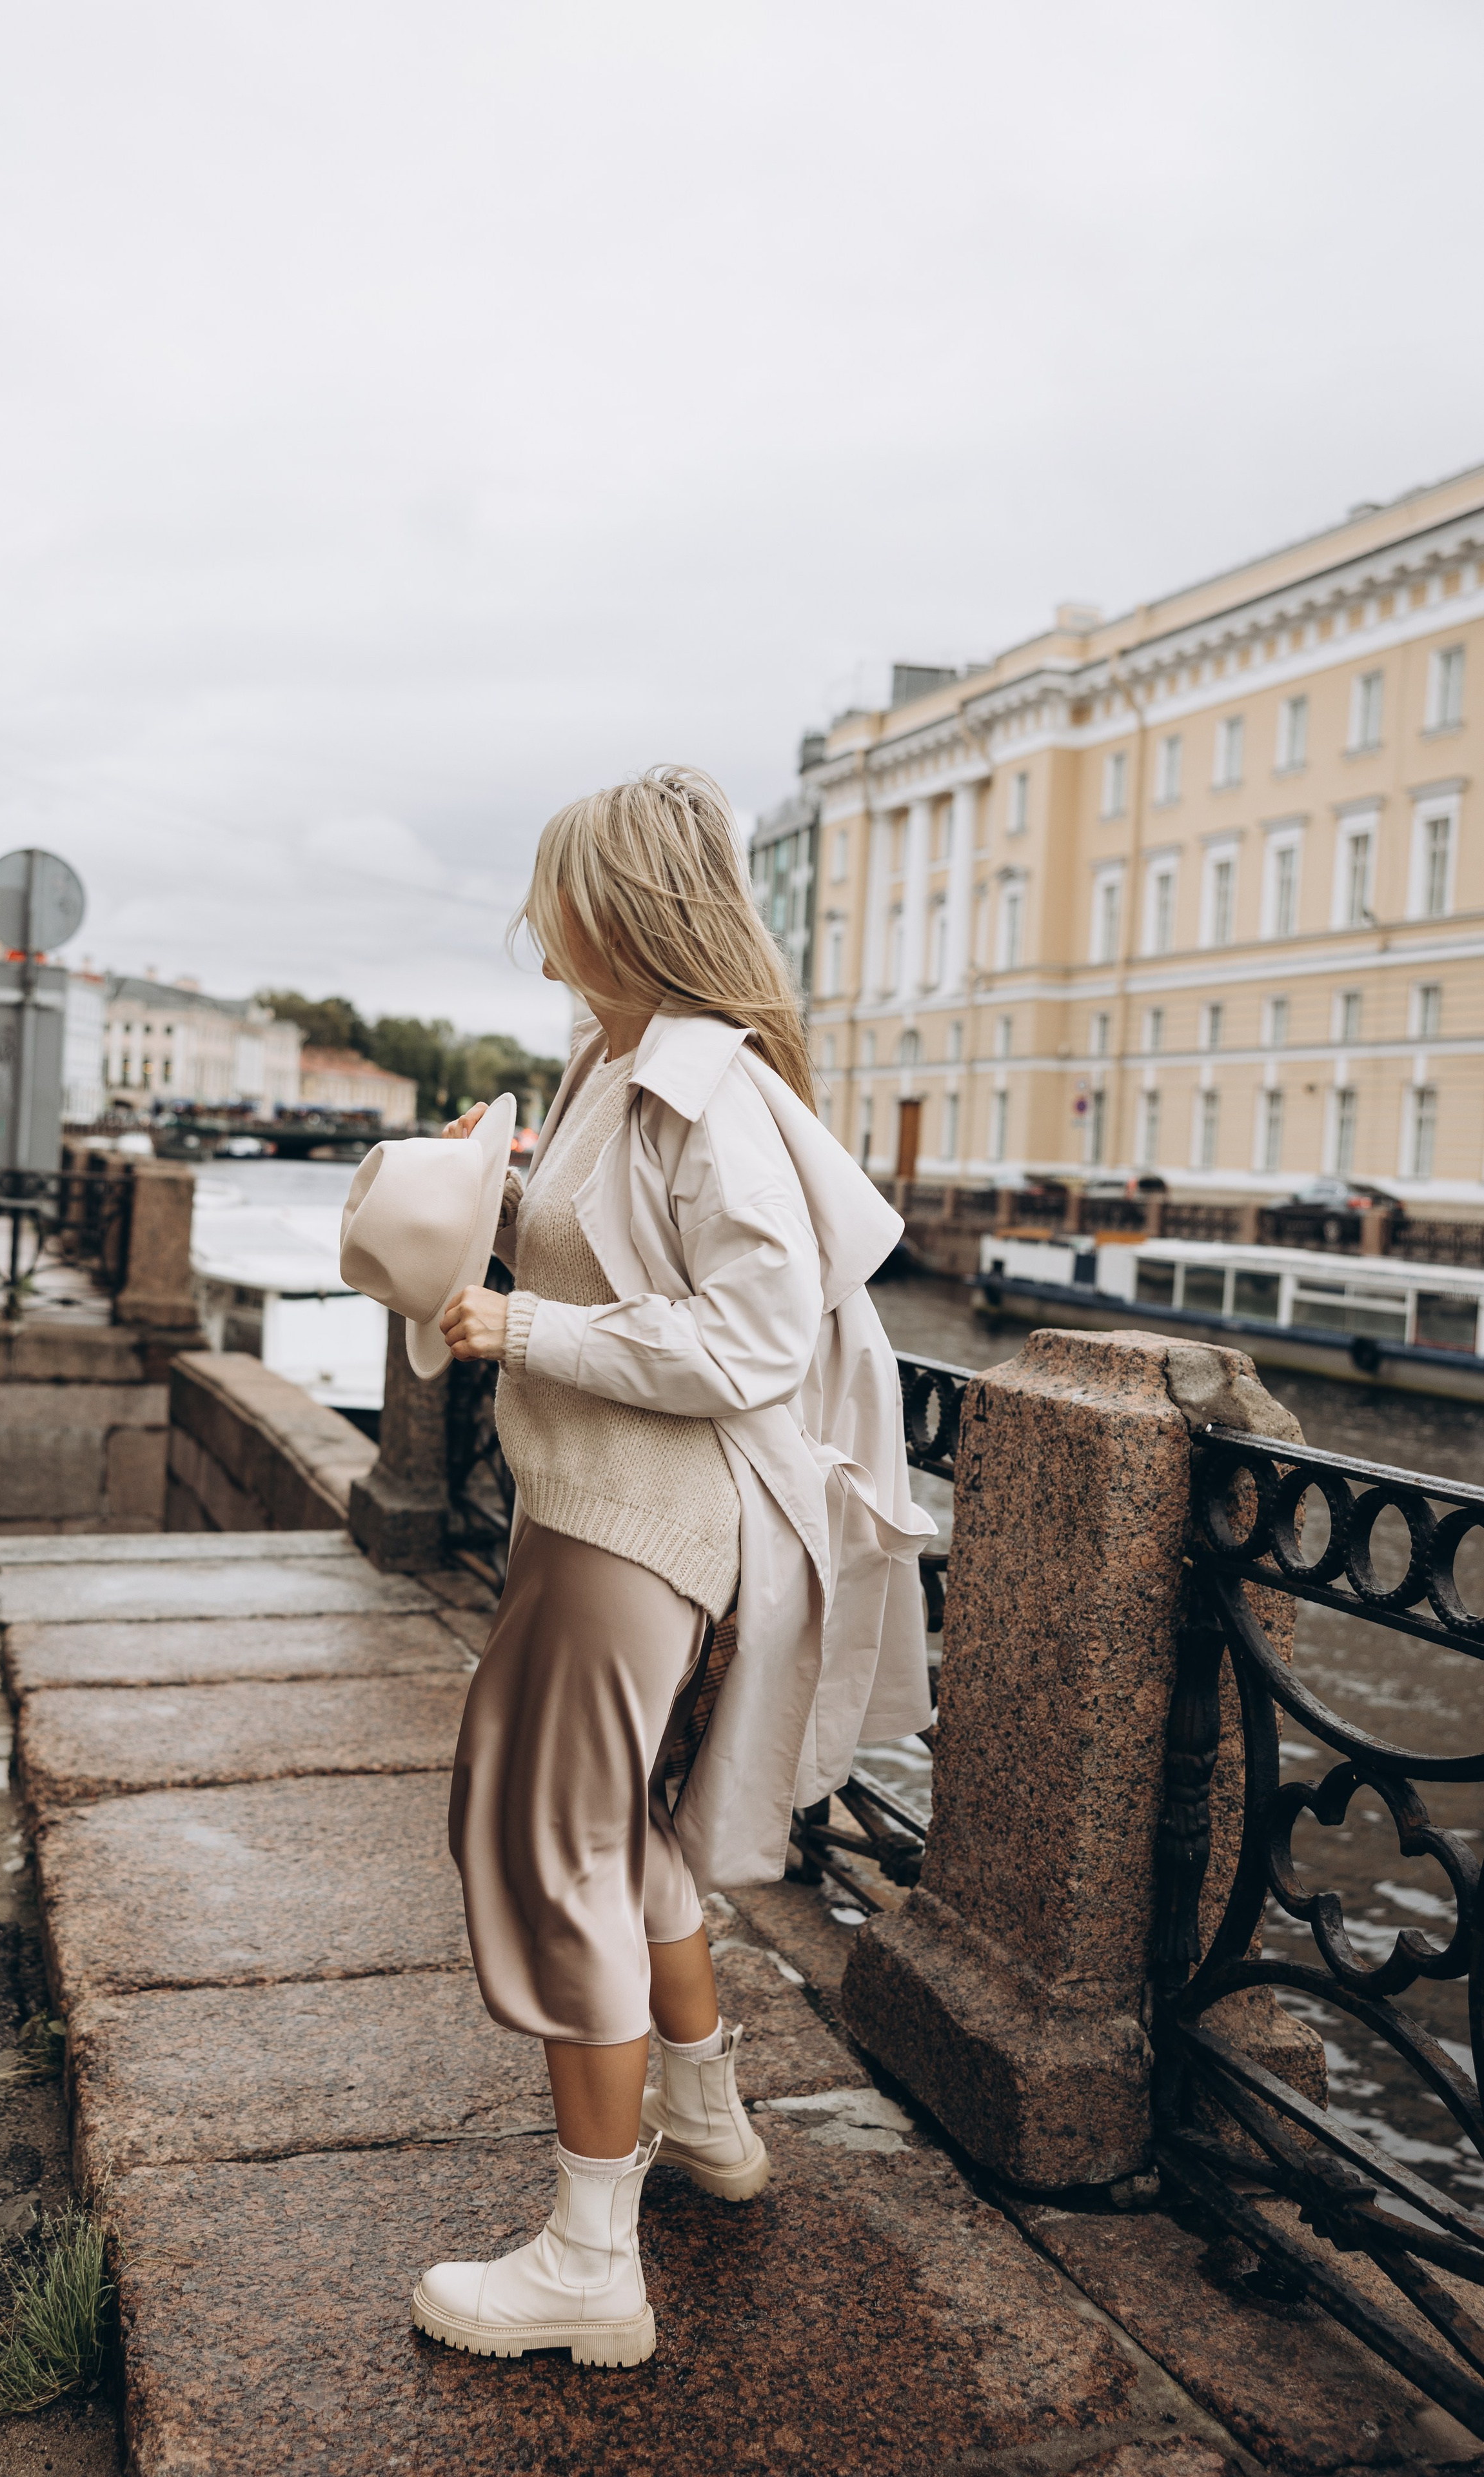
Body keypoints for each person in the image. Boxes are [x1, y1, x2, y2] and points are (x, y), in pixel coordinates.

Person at [409, 766, 933, 2368]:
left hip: (640, 1524)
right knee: (613, 1827)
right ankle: (704, 2123)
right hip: (595, 1508)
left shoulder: (697, 1086)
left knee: (542, 1837)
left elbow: (751, 1336)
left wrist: (521, 1324)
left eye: (559, 894)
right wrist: (491, 1203)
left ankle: (588, 2262)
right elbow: (622, 1249)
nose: (537, 924)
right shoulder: (614, 1063)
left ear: (619, 906)